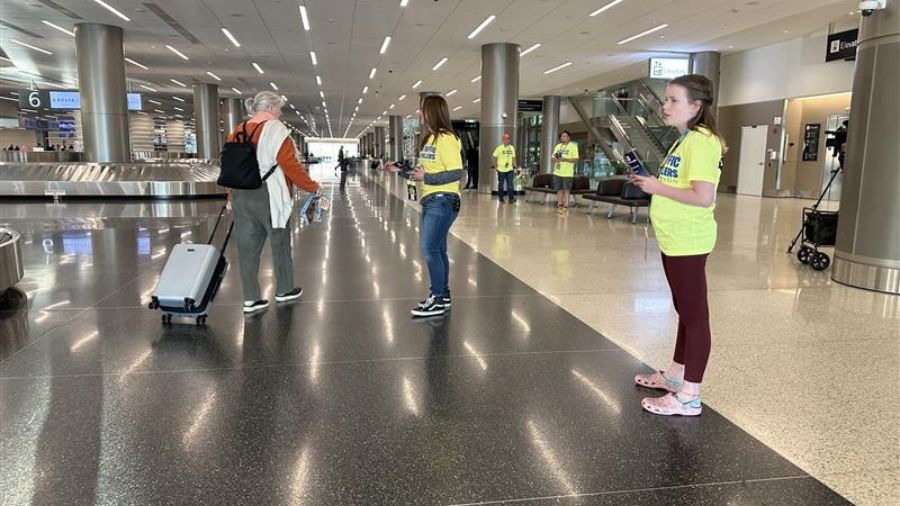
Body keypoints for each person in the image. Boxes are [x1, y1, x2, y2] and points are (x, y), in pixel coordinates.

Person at [630, 74, 725, 416]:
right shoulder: (685, 139)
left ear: (696, 106)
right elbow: (678, 184)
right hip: (674, 239)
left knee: (695, 317)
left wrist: (657, 188)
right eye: (665, 98)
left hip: (689, 239)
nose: (664, 106)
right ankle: (675, 375)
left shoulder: (701, 142)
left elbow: (703, 196)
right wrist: (652, 184)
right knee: (686, 312)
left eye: (673, 100)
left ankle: (689, 396)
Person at [226, 91, 321, 314]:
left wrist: (230, 193)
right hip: (268, 194)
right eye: (279, 108)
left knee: (247, 249)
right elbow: (290, 165)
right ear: (269, 108)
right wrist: (312, 186)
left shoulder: (238, 130)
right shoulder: (276, 129)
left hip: (240, 195)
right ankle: (284, 289)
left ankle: (251, 298)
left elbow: (230, 166)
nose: (280, 113)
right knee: (279, 241)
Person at [386, 95, 462, 318]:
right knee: (438, 249)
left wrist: (427, 176)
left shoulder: (447, 138)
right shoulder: (430, 139)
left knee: (429, 249)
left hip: (443, 200)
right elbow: (421, 174)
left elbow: (456, 172)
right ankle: (443, 295)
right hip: (431, 199)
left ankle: (437, 298)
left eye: (422, 110)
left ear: (432, 111)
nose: (420, 114)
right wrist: (399, 171)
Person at [551, 130, 579, 215]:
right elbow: (552, 158)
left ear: (568, 138)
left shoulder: (573, 147)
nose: (562, 138)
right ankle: (560, 205)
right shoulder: (558, 147)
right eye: (562, 136)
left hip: (567, 173)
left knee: (566, 190)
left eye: (564, 136)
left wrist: (566, 159)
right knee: (559, 190)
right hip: (557, 172)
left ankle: (566, 206)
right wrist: (557, 159)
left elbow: (576, 159)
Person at [493, 133, 517, 203]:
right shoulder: (499, 148)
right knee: (501, 184)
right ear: (503, 140)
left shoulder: (511, 148)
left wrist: (515, 166)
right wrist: (495, 165)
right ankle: (501, 197)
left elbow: (513, 158)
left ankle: (511, 198)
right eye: (506, 139)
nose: (508, 140)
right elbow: (494, 156)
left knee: (510, 184)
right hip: (501, 170)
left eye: (509, 139)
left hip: (509, 169)